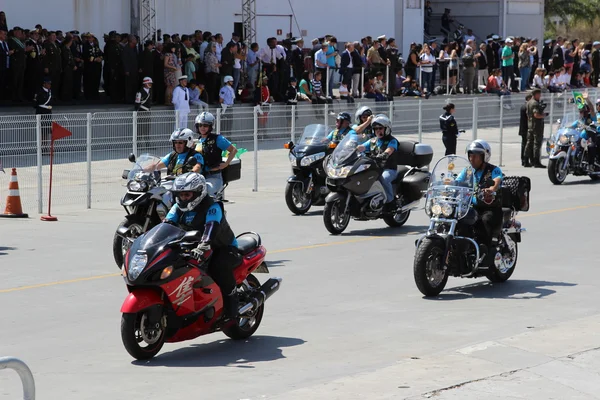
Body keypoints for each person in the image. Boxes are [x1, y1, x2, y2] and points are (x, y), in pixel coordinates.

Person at [166, 172, 241, 318]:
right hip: (192, 247)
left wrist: (203, 245)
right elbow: (166, 225)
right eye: (180, 195)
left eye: (187, 195)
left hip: (222, 247)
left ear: (198, 193)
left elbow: (210, 228)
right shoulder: (177, 207)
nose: (183, 198)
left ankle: (232, 303)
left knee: (217, 266)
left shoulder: (213, 206)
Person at [457, 140, 503, 268]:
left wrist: (492, 188)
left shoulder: (493, 170)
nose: (472, 158)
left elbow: (497, 180)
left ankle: (485, 254)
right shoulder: (468, 170)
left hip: (489, 207)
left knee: (485, 221)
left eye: (476, 156)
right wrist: (446, 184)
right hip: (470, 206)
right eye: (471, 155)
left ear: (484, 156)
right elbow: (458, 181)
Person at [356, 114, 398, 212]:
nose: (378, 131)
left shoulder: (392, 141)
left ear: (386, 129)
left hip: (388, 169)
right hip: (374, 168)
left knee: (384, 178)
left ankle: (390, 203)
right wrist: (352, 148)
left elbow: (390, 150)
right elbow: (361, 147)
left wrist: (384, 154)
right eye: (375, 129)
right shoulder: (373, 141)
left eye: (380, 128)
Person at [194, 111, 238, 197]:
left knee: (207, 193)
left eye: (205, 125)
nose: (202, 128)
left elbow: (233, 150)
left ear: (210, 126)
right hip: (199, 176)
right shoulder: (197, 141)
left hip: (214, 176)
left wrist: (226, 164)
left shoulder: (218, 139)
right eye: (200, 125)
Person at [525, 88, 547, 168]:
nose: (540, 96)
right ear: (536, 94)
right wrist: (543, 115)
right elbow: (536, 115)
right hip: (536, 126)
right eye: (539, 94)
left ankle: (525, 160)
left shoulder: (528, 102)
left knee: (529, 142)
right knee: (537, 144)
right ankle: (536, 162)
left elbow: (528, 115)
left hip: (530, 125)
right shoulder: (535, 103)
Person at [135, 77, 153, 149]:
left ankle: (147, 144)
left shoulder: (150, 91)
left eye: (151, 83)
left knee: (147, 128)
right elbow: (137, 104)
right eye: (149, 83)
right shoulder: (139, 92)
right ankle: (138, 145)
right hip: (142, 112)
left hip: (148, 111)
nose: (150, 84)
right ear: (145, 84)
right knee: (140, 128)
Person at [519, 94, 533, 166]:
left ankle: (524, 160)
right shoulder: (527, 107)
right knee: (526, 145)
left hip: (523, 129)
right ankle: (525, 160)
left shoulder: (524, 106)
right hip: (526, 128)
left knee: (524, 145)